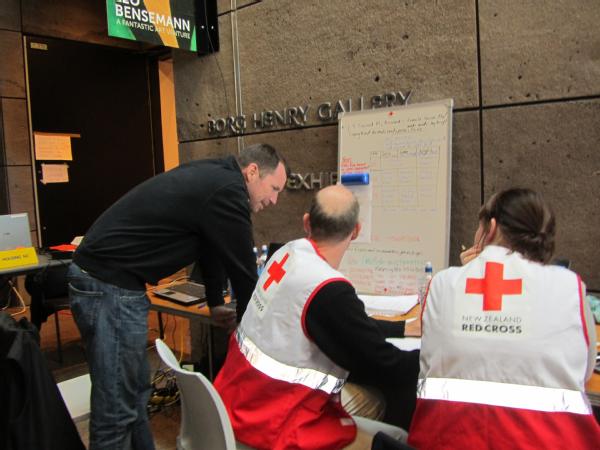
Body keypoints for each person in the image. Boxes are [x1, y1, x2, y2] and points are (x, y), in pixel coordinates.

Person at [67, 143, 288, 450]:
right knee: (117, 411)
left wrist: (214, 305)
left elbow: (212, 248)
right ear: (252, 173)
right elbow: (243, 271)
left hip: (112, 285)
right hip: (109, 287)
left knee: (133, 399)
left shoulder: (215, 178)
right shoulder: (228, 190)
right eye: (274, 188)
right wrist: (258, 330)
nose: (275, 200)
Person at [214, 184, 421, 450]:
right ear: (356, 230)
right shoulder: (329, 289)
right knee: (395, 436)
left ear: (306, 222)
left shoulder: (285, 255)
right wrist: (436, 357)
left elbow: (345, 326)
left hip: (235, 402)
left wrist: (402, 327)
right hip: (277, 425)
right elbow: (385, 364)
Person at [408, 188, 600, 449]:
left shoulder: (443, 283)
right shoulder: (570, 286)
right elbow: (585, 371)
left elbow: (429, 367)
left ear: (491, 228)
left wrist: (465, 273)